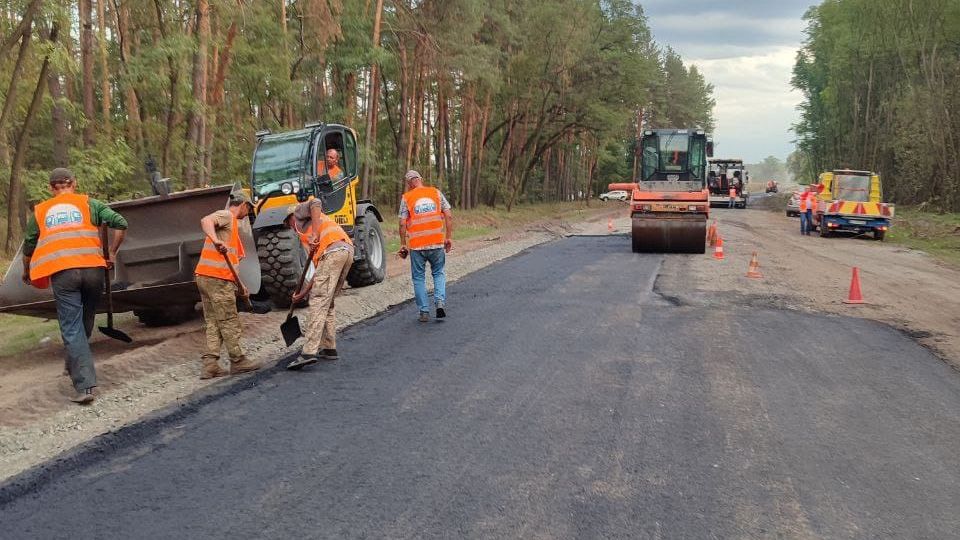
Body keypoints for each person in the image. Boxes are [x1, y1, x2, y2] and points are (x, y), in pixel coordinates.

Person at [21, 168, 127, 404]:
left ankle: (85, 386)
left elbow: (29, 246)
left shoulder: (41, 211)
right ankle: (73, 364)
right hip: (93, 271)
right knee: (84, 321)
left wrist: (26, 271)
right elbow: (121, 222)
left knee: (71, 327)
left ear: (51, 188)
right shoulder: (90, 204)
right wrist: (112, 252)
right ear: (74, 184)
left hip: (64, 274)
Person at [195, 192, 260, 379]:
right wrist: (216, 241)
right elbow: (205, 221)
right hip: (217, 280)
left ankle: (210, 364)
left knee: (214, 322)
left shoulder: (232, 230)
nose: (248, 214)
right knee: (229, 320)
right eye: (249, 209)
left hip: (205, 277)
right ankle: (238, 361)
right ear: (243, 204)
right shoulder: (227, 216)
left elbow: (233, 263)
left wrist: (241, 286)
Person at [286, 198, 354, 370]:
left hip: (333, 252)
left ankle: (308, 352)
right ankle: (329, 347)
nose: (290, 227)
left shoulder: (300, 214)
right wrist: (302, 293)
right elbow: (319, 272)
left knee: (317, 303)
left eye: (288, 223)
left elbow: (315, 202)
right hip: (345, 251)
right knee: (326, 301)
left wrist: (315, 234)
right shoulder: (307, 236)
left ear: (291, 218)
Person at [397, 170, 453, 322]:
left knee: (419, 278)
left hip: (417, 246)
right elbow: (448, 215)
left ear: (409, 184)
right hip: (436, 242)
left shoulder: (407, 197)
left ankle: (424, 311)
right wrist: (448, 238)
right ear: (420, 179)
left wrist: (403, 244)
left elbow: (402, 223)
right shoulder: (435, 193)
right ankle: (440, 302)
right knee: (438, 272)